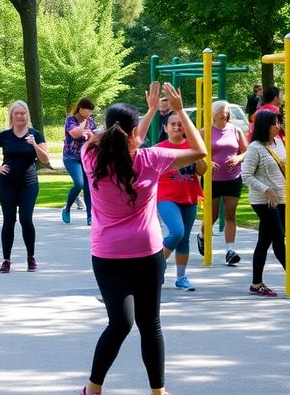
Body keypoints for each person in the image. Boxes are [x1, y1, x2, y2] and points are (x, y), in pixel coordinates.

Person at [80, 82, 205, 395]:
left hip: (107, 257)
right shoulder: (152, 159)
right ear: (136, 132)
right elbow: (200, 151)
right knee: (151, 325)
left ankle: (93, 389)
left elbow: (115, 139)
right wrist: (176, 110)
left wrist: (148, 113)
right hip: (146, 256)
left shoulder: (90, 158)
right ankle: (158, 392)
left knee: (119, 324)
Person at [241, 110, 290, 297]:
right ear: (265, 126)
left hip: (281, 198)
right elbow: (246, 176)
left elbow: (285, 168)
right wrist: (266, 189)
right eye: (274, 123)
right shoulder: (255, 148)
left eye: (278, 122)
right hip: (263, 201)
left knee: (265, 241)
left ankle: (257, 284)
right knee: (278, 235)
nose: (278, 126)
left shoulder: (279, 142)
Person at [0, 101, 50, 273]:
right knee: (9, 219)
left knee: (26, 219)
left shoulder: (36, 135)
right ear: (11, 116)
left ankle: (31, 257)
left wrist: (34, 145)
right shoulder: (5, 135)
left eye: (23, 113)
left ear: (27, 115)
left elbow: (45, 159)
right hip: (7, 183)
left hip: (28, 183)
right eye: (17, 113)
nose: (20, 116)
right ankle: (6, 260)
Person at [154, 113, 207, 291]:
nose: (177, 127)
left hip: (189, 196)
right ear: (165, 128)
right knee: (177, 232)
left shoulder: (192, 147)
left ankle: (181, 277)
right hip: (166, 197)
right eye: (173, 124)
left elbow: (202, 171)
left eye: (181, 124)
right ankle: (157, 266)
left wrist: (196, 152)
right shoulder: (158, 149)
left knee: (184, 239)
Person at [198, 99, 247, 266]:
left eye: (227, 113)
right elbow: (196, 152)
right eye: (221, 113)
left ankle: (230, 250)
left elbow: (246, 151)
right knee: (210, 215)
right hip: (212, 179)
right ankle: (203, 235)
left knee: (230, 213)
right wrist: (207, 161)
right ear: (213, 115)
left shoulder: (236, 130)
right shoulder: (205, 131)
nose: (225, 116)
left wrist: (238, 158)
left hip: (233, 178)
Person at [61, 98, 98, 226]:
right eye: (88, 112)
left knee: (88, 187)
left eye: (91, 113)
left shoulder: (91, 122)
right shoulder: (70, 120)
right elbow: (75, 134)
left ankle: (90, 216)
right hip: (71, 158)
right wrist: (83, 124)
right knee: (79, 183)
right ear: (81, 109)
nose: (89, 115)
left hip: (86, 158)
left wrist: (91, 134)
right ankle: (67, 208)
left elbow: (97, 139)